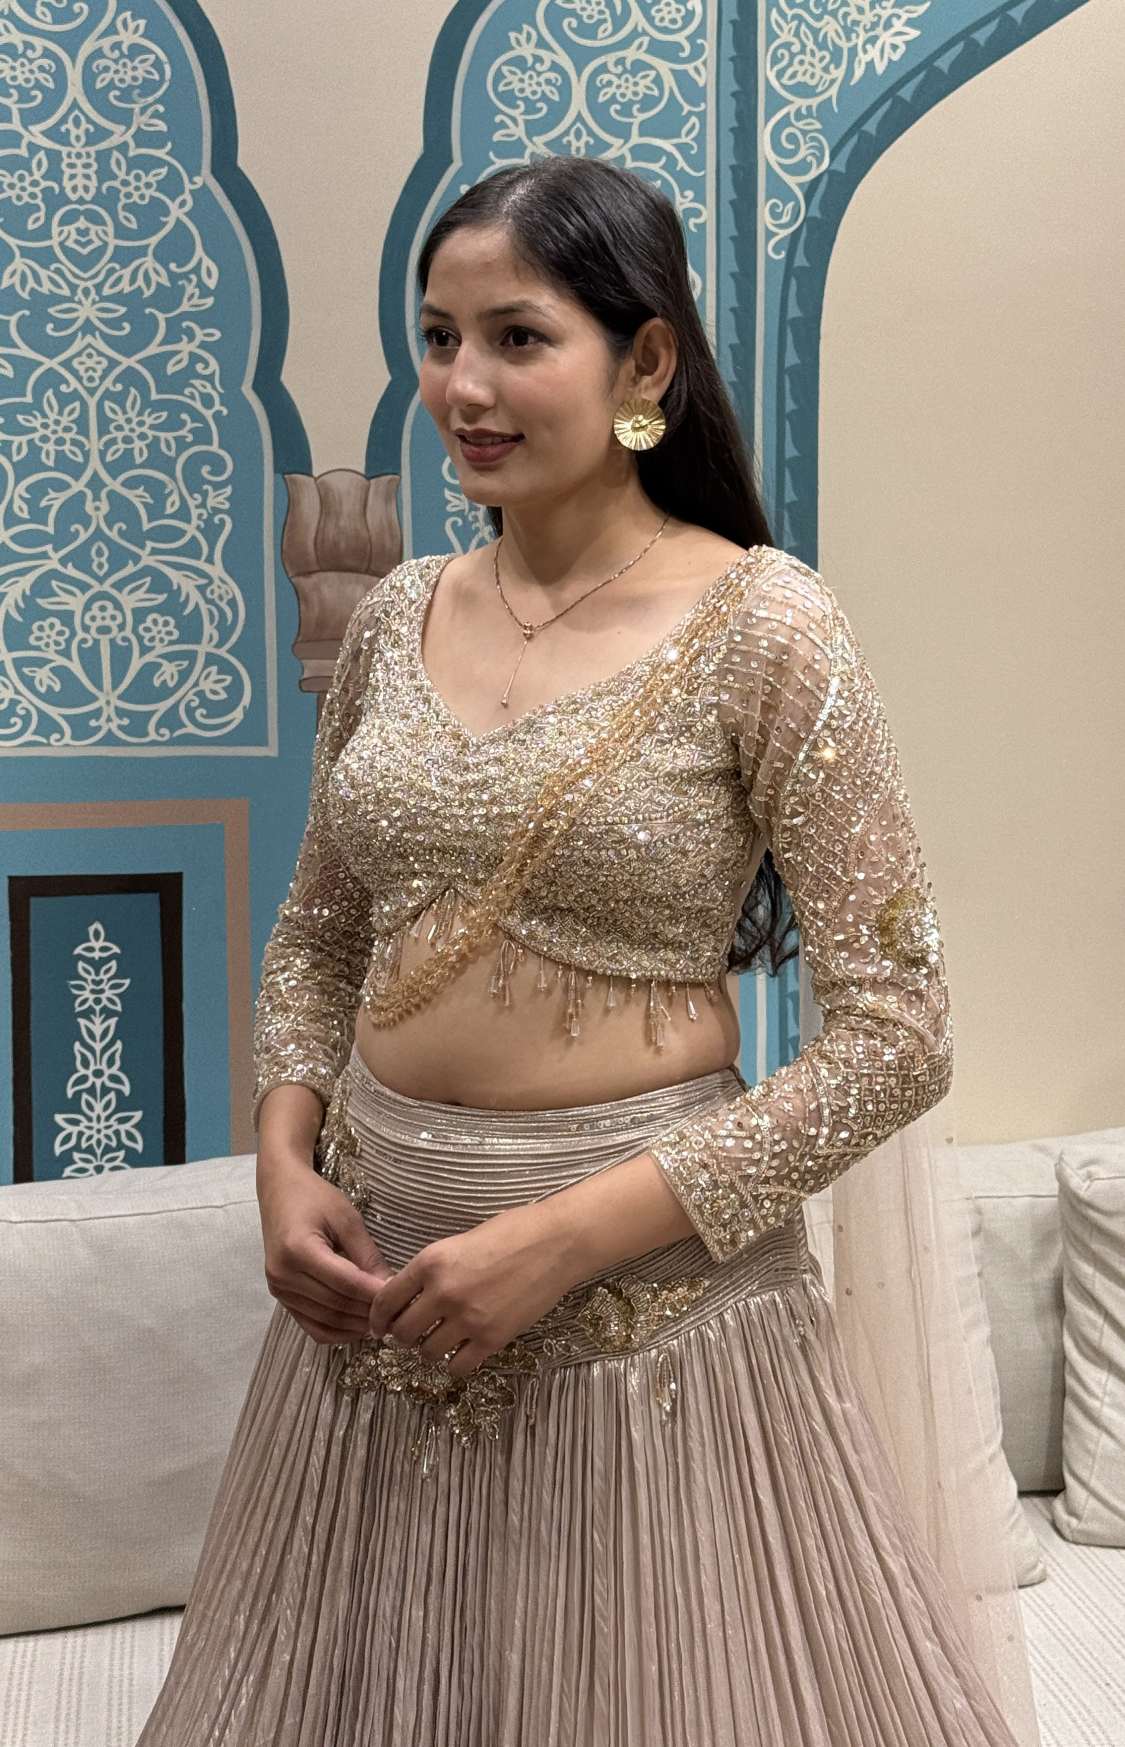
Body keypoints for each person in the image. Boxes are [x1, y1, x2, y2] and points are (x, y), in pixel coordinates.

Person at [139, 157, 1024, 1747]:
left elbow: (899, 1031)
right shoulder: (398, 613)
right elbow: (318, 933)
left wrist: (559, 1240)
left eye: (517, 338)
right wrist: (281, 1156)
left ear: (645, 362)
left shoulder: (765, 628)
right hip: (377, 1310)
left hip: (653, 1325)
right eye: (436, 336)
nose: (462, 387)